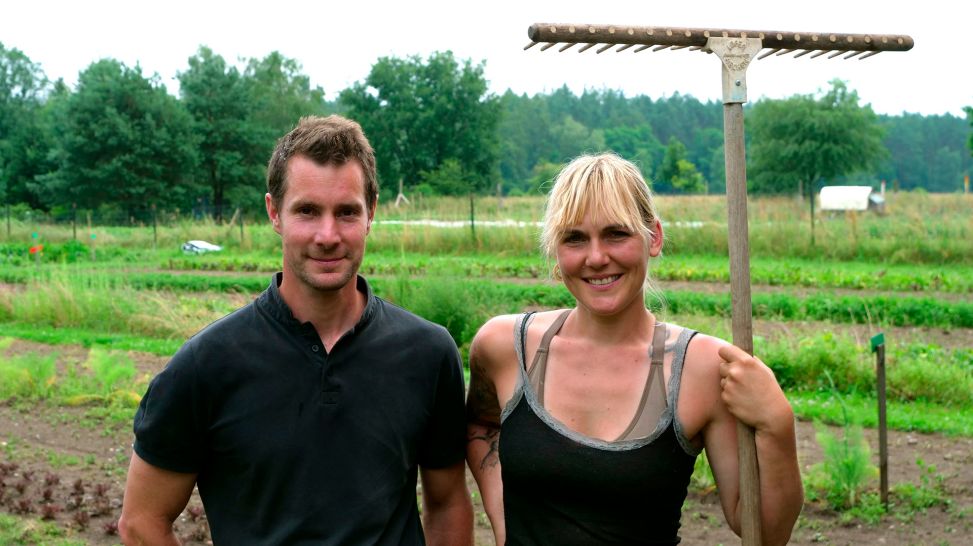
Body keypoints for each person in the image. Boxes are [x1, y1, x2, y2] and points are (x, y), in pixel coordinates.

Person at [120, 115, 473, 545]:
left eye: (346, 212)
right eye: (307, 211)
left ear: (371, 212)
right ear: (274, 212)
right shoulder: (206, 365)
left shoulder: (427, 353)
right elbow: (141, 521)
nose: (328, 235)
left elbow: (448, 502)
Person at [466, 153, 803, 545]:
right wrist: (502, 516)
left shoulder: (703, 369)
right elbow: (483, 422)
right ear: (556, 253)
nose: (596, 257)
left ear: (653, 237)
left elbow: (764, 532)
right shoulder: (506, 348)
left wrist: (778, 425)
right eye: (575, 238)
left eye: (616, 234)